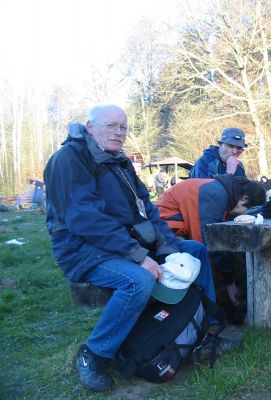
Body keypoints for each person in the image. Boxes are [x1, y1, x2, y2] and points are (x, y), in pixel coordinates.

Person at [44, 104, 216, 392]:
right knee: (139, 280)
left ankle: (204, 324)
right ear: (90, 127)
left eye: (123, 127)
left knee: (193, 250)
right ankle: (94, 354)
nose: (119, 132)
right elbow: (85, 219)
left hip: (122, 244)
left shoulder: (119, 162)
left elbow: (147, 212)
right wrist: (138, 256)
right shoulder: (70, 160)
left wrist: (169, 248)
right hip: (83, 250)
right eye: (111, 126)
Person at [156, 175, 266, 323]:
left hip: (180, 228)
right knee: (203, 257)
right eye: (244, 211)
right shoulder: (214, 195)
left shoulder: (225, 193)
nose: (239, 214)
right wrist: (228, 282)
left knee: (234, 253)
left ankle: (241, 300)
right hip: (165, 232)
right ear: (244, 198)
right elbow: (208, 241)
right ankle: (213, 315)